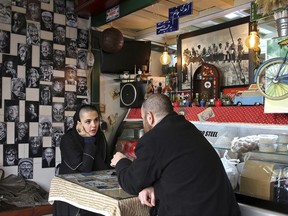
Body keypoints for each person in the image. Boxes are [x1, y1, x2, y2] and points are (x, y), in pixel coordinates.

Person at [110, 94, 241, 216]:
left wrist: (121, 161)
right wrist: (155, 187)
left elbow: (132, 183)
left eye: (143, 119)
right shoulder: (188, 128)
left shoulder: (154, 139)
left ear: (150, 117)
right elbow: (180, 173)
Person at [53, 104, 111, 216]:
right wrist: (89, 141)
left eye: (96, 120)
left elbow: (105, 168)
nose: (94, 125)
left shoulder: (100, 137)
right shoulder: (68, 140)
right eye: (88, 122)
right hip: (73, 196)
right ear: (78, 123)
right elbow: (85, 170)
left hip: (95, 192)